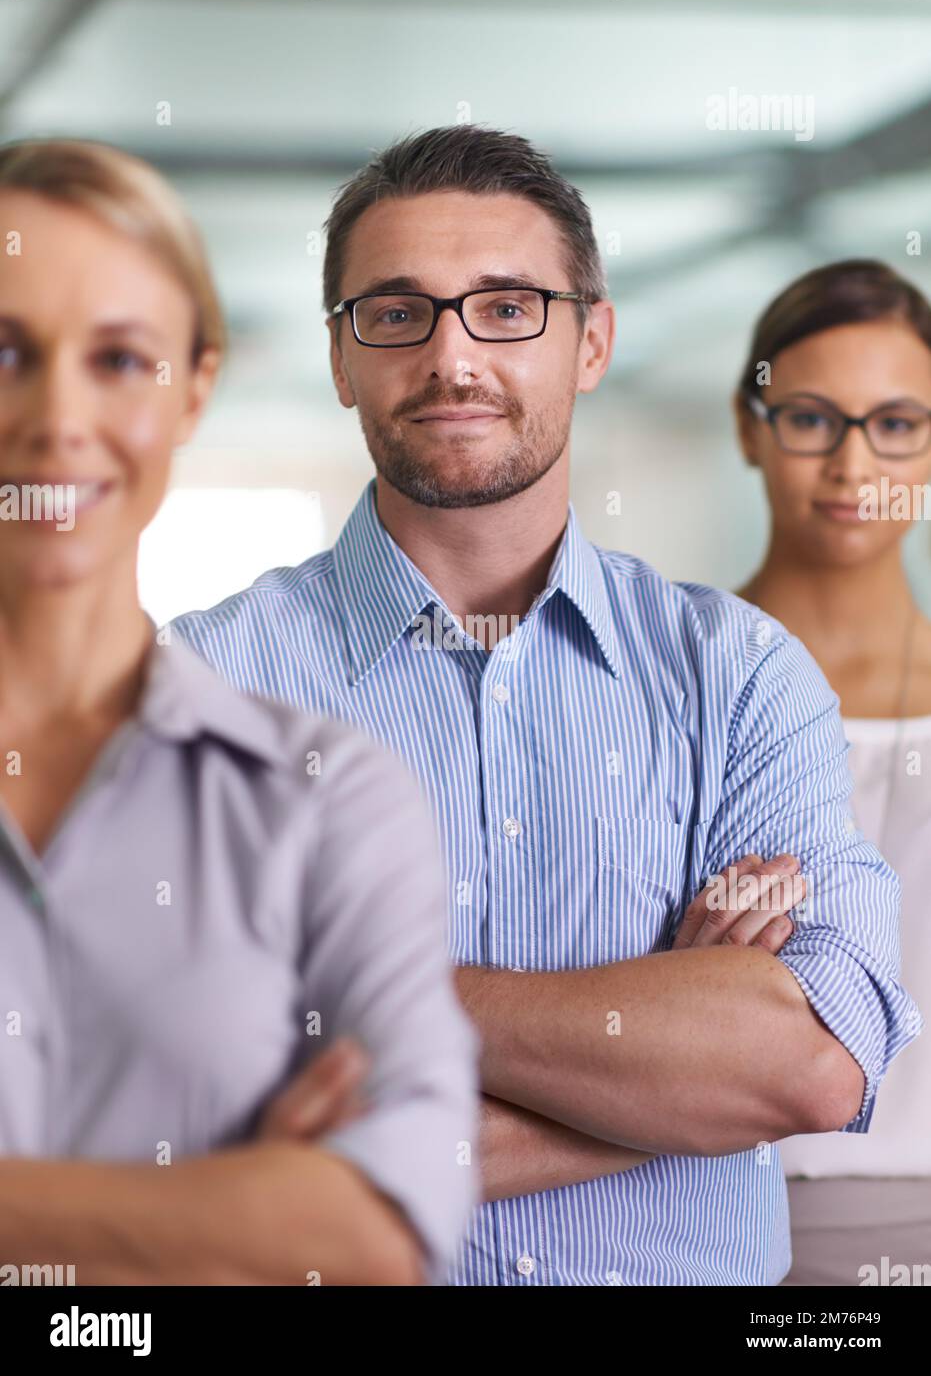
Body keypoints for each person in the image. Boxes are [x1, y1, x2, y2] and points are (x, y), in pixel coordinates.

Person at [174, 125, 922, 1286]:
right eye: (396, 311)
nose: (453, 355)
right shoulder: (204, 685)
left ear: (592, 340)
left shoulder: (741, 674)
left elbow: (810, 1066)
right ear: (339, 358)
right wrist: (668, 1083)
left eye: (508, 307)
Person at [0, 137, 479, 1286]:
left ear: (194, 391)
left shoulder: (330, 799)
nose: (58, 417)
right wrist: (220, 1214)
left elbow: (377, 1235)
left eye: (120, 359)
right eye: (6, 350)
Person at [732, 258, 931, 1285]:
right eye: (811, 418)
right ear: (748, 426)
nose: (854, 467)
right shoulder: (663, 682)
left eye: (895, 423)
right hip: (706, 1217)